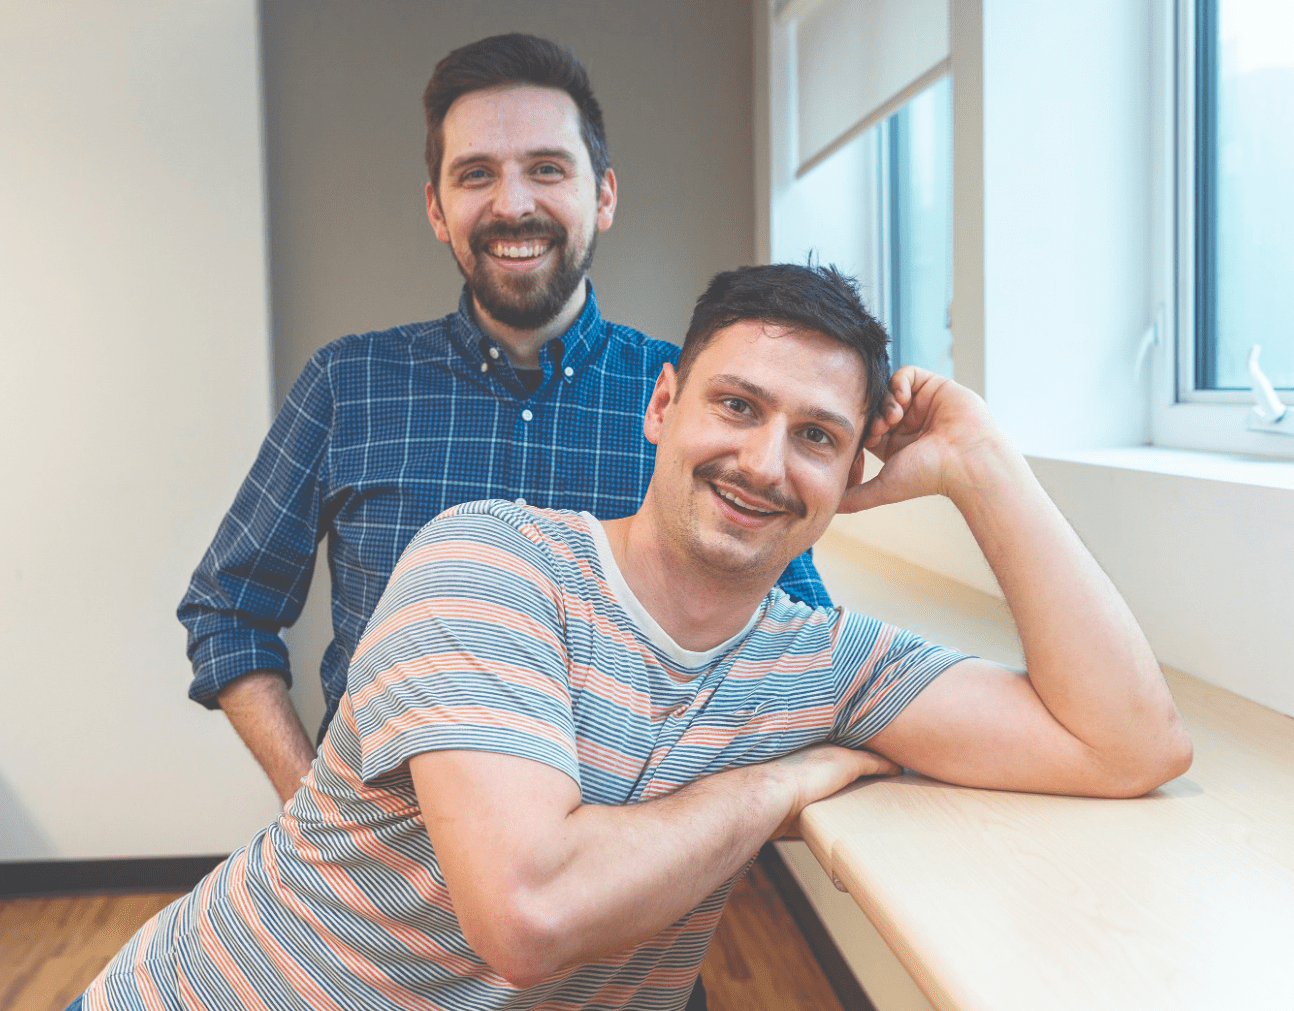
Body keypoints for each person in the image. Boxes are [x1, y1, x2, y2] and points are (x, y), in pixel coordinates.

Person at [81, 263, 1192, 1011]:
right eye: (738, 407)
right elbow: (531, 911)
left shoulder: (822, 661)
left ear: (855, 475)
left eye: (817, 436)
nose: (765, 462)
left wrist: (984, 468)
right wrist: (779, 784)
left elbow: (1126, 745)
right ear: (661, 406)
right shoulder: (490, 563)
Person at [178, 34, 828, 807]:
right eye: (475, 175)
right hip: (369, 891)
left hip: (612, 890)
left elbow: (804, 647)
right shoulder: (347, 383)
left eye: (546, 169)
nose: (512, 204)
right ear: (436, 208)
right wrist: (307, 805)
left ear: (604, 195)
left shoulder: (695, 407)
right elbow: (229, 610)